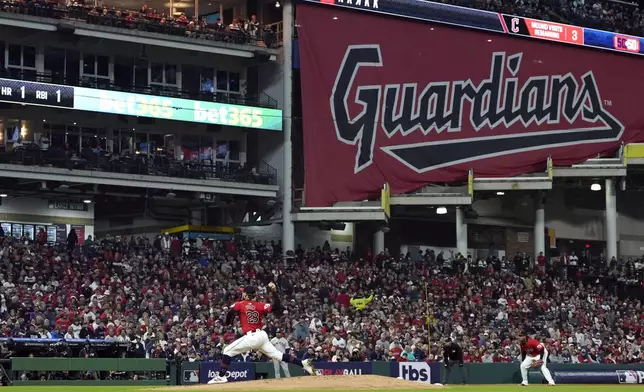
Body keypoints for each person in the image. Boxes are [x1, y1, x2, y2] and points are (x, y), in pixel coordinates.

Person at [208, 284, 316, 384]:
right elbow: (276, 306)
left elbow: (231, 312)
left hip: (252, 337)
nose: (242, 294)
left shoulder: (240, 304)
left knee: (227, 351)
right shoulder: (260, 305)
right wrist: (274, 292)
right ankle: (303, 363)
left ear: (246, 295)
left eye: (243, 292)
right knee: (278, 355)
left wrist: (228, 322)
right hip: (262, 336)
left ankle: (221, 376)